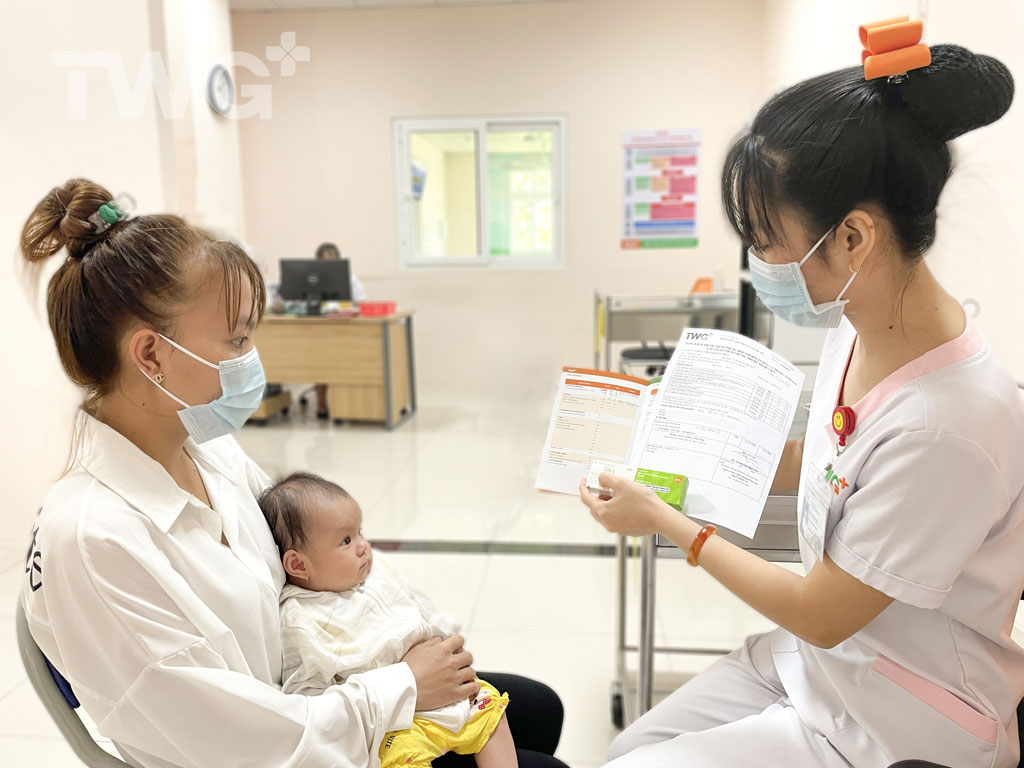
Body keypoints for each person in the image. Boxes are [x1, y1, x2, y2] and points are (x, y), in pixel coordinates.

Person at [18, 178, 566, 768]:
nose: (251, 358)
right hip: (281, 745)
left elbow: (313, 552)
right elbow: (241, 743)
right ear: (151, 354)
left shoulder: (207, 449)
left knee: (538, 708)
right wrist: (405, 685)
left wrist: (411, 634)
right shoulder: (93, 542)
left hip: (320, 692)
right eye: (237, 339)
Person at [582, 42, 1024, 768]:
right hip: (826, 666)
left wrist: (667, 522)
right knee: (634, 746)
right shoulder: (861, 328)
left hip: (897, 717)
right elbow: (826, 464)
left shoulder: (950, 425)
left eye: (765, 241)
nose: (759, 264)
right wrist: (679, 451)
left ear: (852, 237)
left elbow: (821, 613)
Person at [258, 472, 516, 768]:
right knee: (399, 760)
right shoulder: (300, 618)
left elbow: (416, 610)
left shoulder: (370, 575)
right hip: (398, 726)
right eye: (345, 540)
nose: (363, 546)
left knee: (492, 708)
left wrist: (443, 642)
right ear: (298, 564)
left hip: (447, 692)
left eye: (360, 532)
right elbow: (308, 700)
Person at [312, 241, 367, 419]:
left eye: (332, 261)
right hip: (319, 330)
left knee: (341, 361)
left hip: (345, 329)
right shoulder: (312, 281)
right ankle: (321, 404)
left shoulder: (352, 280)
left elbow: (362, 304)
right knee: (318, 360)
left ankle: (344, 407)